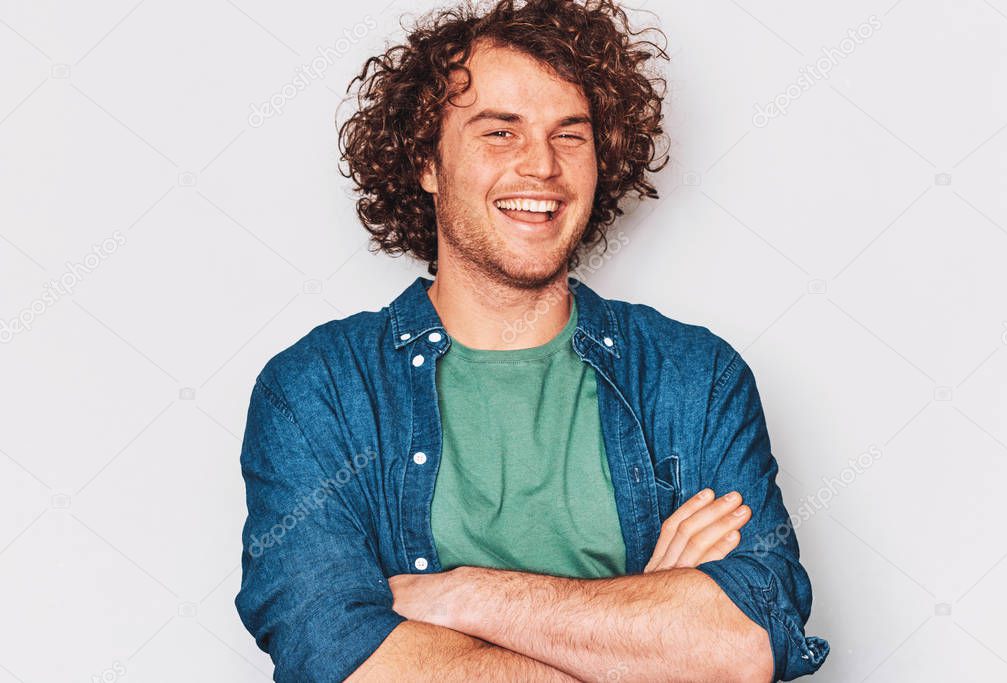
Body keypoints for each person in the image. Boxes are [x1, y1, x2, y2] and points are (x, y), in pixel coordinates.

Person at [235, 0, 829, 680]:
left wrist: (463, 594)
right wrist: (642, 640)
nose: (541, 166)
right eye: (499, 133)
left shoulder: (692, 377)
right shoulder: (320, 388)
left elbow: (746, 642)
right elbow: (336, 655)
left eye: (569, 135)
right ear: (425, 161)